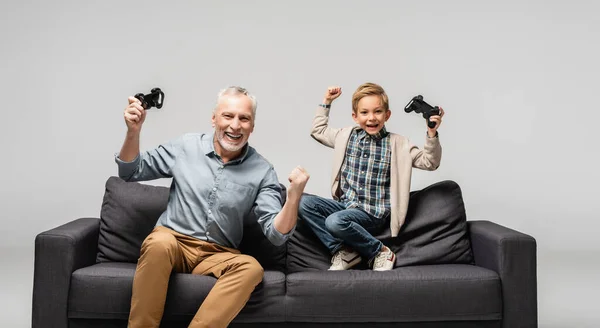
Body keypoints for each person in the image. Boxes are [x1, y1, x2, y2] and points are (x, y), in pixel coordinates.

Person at [116, 86, 310, 328]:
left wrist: (292, 200)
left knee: (251, 268)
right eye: (228, 116)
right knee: (158, 243)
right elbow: (130, 171)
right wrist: (133, 132)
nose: (235, 126)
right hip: (173, 242)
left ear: (252, 126)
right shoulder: (186, 147)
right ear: (214, 118)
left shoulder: (263, 171)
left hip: (218, 254)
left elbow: (276, 234)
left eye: (244, 118)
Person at [298, 83, 443, 271]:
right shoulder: (346, 136)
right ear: (355, 116)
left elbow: (430, 162)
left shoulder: (398, 145)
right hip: (346, 206)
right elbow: (318, 131)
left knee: (335, 221)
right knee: (303, 203)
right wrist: (326, 102)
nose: (371, 118)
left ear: (387, 115)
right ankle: (344, 251)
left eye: (378, 112)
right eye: (364, 113)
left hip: (373, 214)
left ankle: (380, 251)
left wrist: (432, 133)